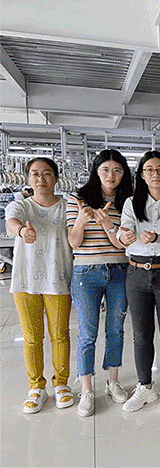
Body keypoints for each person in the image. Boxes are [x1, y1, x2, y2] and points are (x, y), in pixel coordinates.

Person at [66, 149, 133, 417]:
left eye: (117, 170)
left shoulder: (128, 202)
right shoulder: (78, 199)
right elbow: (73, 242)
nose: (111, 175)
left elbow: (124, 245)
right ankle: (86, 389)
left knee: (116, 329)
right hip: (86, 273)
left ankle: (112, 381)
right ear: (96, 171)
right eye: (105, 169)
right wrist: (81, 221)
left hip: (119, 270)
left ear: (124, 174)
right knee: (87, 332)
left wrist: (107, 225)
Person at [6, 158, 74, 413]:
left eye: (46, 173)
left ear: (55, 178)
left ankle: (61, 384)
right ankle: (36, 387)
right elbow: (11, 221)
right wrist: (22, 231)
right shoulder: (21, 206)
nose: (40, 178)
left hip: (58, 279)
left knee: (60, 334)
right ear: (28, 179)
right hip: (25, 281)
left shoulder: (66, 207)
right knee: (32, 337)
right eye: (35, 174)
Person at [118, 151, 160, 413]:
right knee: (141, 334)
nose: (155, 174)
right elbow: (126, 227)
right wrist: (124, 235)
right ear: (142, 174)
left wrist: (157, 238)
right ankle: (144, 387)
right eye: (149, 170)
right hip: (136, 273)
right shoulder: (131, 202)